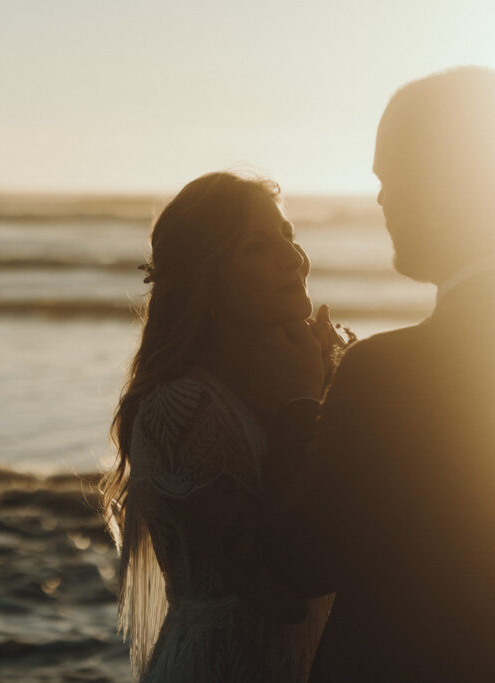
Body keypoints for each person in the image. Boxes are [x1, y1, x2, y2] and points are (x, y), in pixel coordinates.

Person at [256, 66, 495, 682]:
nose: (381, 200)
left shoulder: (386, 373)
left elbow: (301, 560)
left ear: (451, 183)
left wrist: (302, 400)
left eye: (393, 177)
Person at [101, 172, 341, 683]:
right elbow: (281, 592)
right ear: (206, 279)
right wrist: (299, 401)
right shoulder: (181, 413)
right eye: (257, 246)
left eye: (289, 236)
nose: (292, 257)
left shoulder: (303, 377)